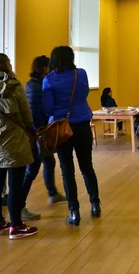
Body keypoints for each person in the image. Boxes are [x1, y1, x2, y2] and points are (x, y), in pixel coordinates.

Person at [0, 53, 38, 239]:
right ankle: (16, 226)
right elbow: (24, 110)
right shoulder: (14, 84)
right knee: (15, 185)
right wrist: (30, 128)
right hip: (14, 139)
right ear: (6, 65)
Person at [43, 46, 100, 226]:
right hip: (83, 125)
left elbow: (48, 109)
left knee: (67, 170)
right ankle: (95, 205)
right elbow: (83, 95)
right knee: (87, 167)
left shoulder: (49, 80)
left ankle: (74, 212)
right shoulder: (81, 74)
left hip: (62, 129)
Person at [21, 55, 66, 222]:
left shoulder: (37, 84)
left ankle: (53, 193)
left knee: (49, 162)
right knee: (31, 170)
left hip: (40, 133)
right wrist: (42, 130)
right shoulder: (35, 86)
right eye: (49, 67)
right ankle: (19, 206)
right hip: (37, 134)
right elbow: (35, 113)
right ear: (43, 69)